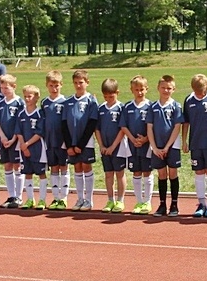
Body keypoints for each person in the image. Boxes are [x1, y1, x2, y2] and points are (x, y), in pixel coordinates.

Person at [183, 73, 207, 218]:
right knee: (199, 172)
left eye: (203, 91)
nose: (200, 94)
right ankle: (201, 203)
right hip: (196, 143)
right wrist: (184, 141)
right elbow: (186, 122)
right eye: (197, 91)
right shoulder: (188, 100)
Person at [147, 74, 183, 217]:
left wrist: (167, 146)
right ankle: (162, 204)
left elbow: (177, 127)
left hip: (172, 146)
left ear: (174, 89)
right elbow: (149, 128)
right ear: (158, 88)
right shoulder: (153, 107)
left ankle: (174, 205)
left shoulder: (176, 106)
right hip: (157, 146)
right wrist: (154, 147)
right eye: (163, 88)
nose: (166, 90)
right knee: (161, 174)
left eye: (169, 88)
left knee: (173, 173)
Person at [63, 69, 99, 210]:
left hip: (85, 143)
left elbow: (92, 123)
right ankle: (79, 199)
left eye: (81, 82)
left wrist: (81, 145)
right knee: (77, 167)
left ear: (87, 83)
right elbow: (64, 124)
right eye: (76, 83)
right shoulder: (68, 102)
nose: (78, 85)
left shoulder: (91, 101)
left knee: (86, 166)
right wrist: (69, 145)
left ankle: (89, 200)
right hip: (72, 143)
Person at [120, 75, 153, 214]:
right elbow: (123, 126)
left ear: (147, 89)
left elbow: (154, 126)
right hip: (133, 145)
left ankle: (147, 202)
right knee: (136, 172)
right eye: (136, 90)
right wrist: (133, 139)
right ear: (131, 90)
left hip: (147, 145)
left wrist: (146, 139)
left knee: (147, 172)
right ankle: (139, 202)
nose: (139, 92)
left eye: (142, 89)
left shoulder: (151, 106)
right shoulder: (127, 107)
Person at [0, 73, 25, 208]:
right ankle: (11, 195)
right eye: (2, 88)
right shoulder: (0, 103)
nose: (4, 91)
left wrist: (13, 139)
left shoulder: (19, 102)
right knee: (7, 166)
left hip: (16, 141)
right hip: (3, 140)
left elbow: (21, 122)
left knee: (17, 166)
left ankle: (19, 197)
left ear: (14, 87)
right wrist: (2, 136)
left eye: (6, 88)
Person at [96, 78, 127, 212]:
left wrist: (113, 146)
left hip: (118, 147)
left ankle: (120, 200)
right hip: (105, 147)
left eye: (111, 96)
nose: (108, 99)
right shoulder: (101, 109)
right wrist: (101, 145)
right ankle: (110, 200)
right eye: (105, 96)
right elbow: (97, 129)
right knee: (108, 174)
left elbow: (122, 129)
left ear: (117, 93)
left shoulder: (121, 108)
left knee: (119, 173)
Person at [17, 84, 48, 209]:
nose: (27, 99)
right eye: (25, 96)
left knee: (41, 173)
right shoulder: (21, 114)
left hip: (37, 149)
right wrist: (23, 146)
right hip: (24, 149)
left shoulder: (40, 113)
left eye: (29, 96)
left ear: (36, 97)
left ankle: (42, 200)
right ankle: (30, 199)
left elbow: (40, 133)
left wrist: (27, 144)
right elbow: (18, 131)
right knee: (27, 173)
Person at [42, 70, 70, 209]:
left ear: (61, 85)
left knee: (64, 167)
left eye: (56, 85)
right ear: (47, 85)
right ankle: (55, 198)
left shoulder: (66, 102)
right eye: (51, 86)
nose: (54, 88)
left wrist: (67, 142)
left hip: (62, 141)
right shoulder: (44, 102)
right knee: (53, 168)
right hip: (49, 141)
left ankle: (64, 198)